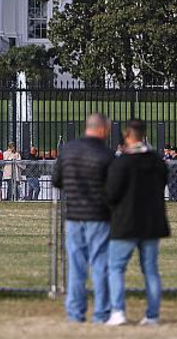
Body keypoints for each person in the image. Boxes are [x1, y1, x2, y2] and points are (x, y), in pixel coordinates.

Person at [105, 119, 170, 327]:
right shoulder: (157, 161)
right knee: (150, 269)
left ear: (127, 134)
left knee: (115, 268)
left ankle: (118, 312)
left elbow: (111, 193)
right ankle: (152, 315)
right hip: (151, 221)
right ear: (143, 134)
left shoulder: (122, 162)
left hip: (126, 221)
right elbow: (163, 183)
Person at [51, 113, 115, 324]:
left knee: (76, 266)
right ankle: (101, 313)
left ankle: (75, 313)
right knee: (100, 264)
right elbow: (114, 188)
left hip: (74, 214)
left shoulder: (68, 150)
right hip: (99, 215)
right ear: (102, 129)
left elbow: (57, 180)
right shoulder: (106, 154)